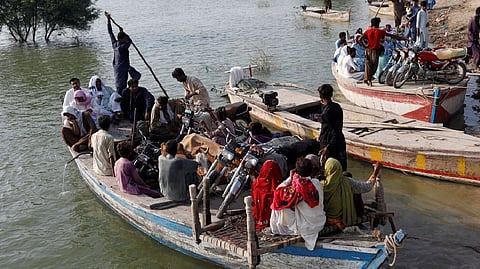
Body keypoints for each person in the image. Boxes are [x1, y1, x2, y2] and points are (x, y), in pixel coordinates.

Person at [270, 156, 326, 250]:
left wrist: (290, 178)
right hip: (320, 223)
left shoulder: (295, 188)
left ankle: (277, 228)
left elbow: (277, 191)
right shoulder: (317, 184)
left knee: (280, 201)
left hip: (306, 228)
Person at [359, 17, 405, 86]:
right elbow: (391, 35)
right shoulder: (380, 31)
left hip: (368, 50)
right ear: (378, 24)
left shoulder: (367, 31)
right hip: (375, 51)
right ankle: (368, 79)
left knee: (368, 65)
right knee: (374, 67)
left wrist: (364, 46)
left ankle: (367, 79)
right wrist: (402, 38)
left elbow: (360, 39)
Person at [105, 12, 141, 92]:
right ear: (121, 39)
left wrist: (108, 21)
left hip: (124, 66)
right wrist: (124, 33)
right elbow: (130, 41)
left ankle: (131, 87)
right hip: (120, 68)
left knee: (137, 75)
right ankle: (123, 94)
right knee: (121, 86)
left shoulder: (115, 44)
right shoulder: (123, 47)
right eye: (124, 39)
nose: (125, 40)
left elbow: (110, 32)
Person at [317, 84, 347, 171]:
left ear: (320, 96)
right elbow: (337, 130)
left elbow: (334, 132)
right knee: (342, 168)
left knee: (329, 169)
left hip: (329, 143)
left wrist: (328, 147)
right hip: (339, 141)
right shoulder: (337, 106)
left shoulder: (326, 112)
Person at [322, 157, 356, 231]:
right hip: (343, 218)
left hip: (325, 219)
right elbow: (366, 186)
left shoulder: (320, 185)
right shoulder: (347, 182)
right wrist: (375, 174)